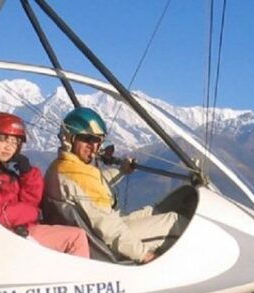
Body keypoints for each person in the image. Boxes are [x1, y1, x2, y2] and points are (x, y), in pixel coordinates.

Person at [44, 107, 185, 263]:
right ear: (69, 139)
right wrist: (144, 255)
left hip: (95, 234)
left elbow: (94, 184)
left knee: (152, 212)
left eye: (97, 140)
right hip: (103, 245)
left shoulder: (61, 167)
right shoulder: (78, 175)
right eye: (86, 139)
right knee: (174, 222)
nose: (92, 146)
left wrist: (121, 171)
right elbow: (107, 227)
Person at [0, 112, 89, 258]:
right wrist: (34, 212)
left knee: (75, 234)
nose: (9, 147)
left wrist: (28, 173)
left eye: (15, 142)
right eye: (3, 139)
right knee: (76, 238)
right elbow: (0, 216)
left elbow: (31, 200)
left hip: (17, 230)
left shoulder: (2, 170)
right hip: (1, 237)